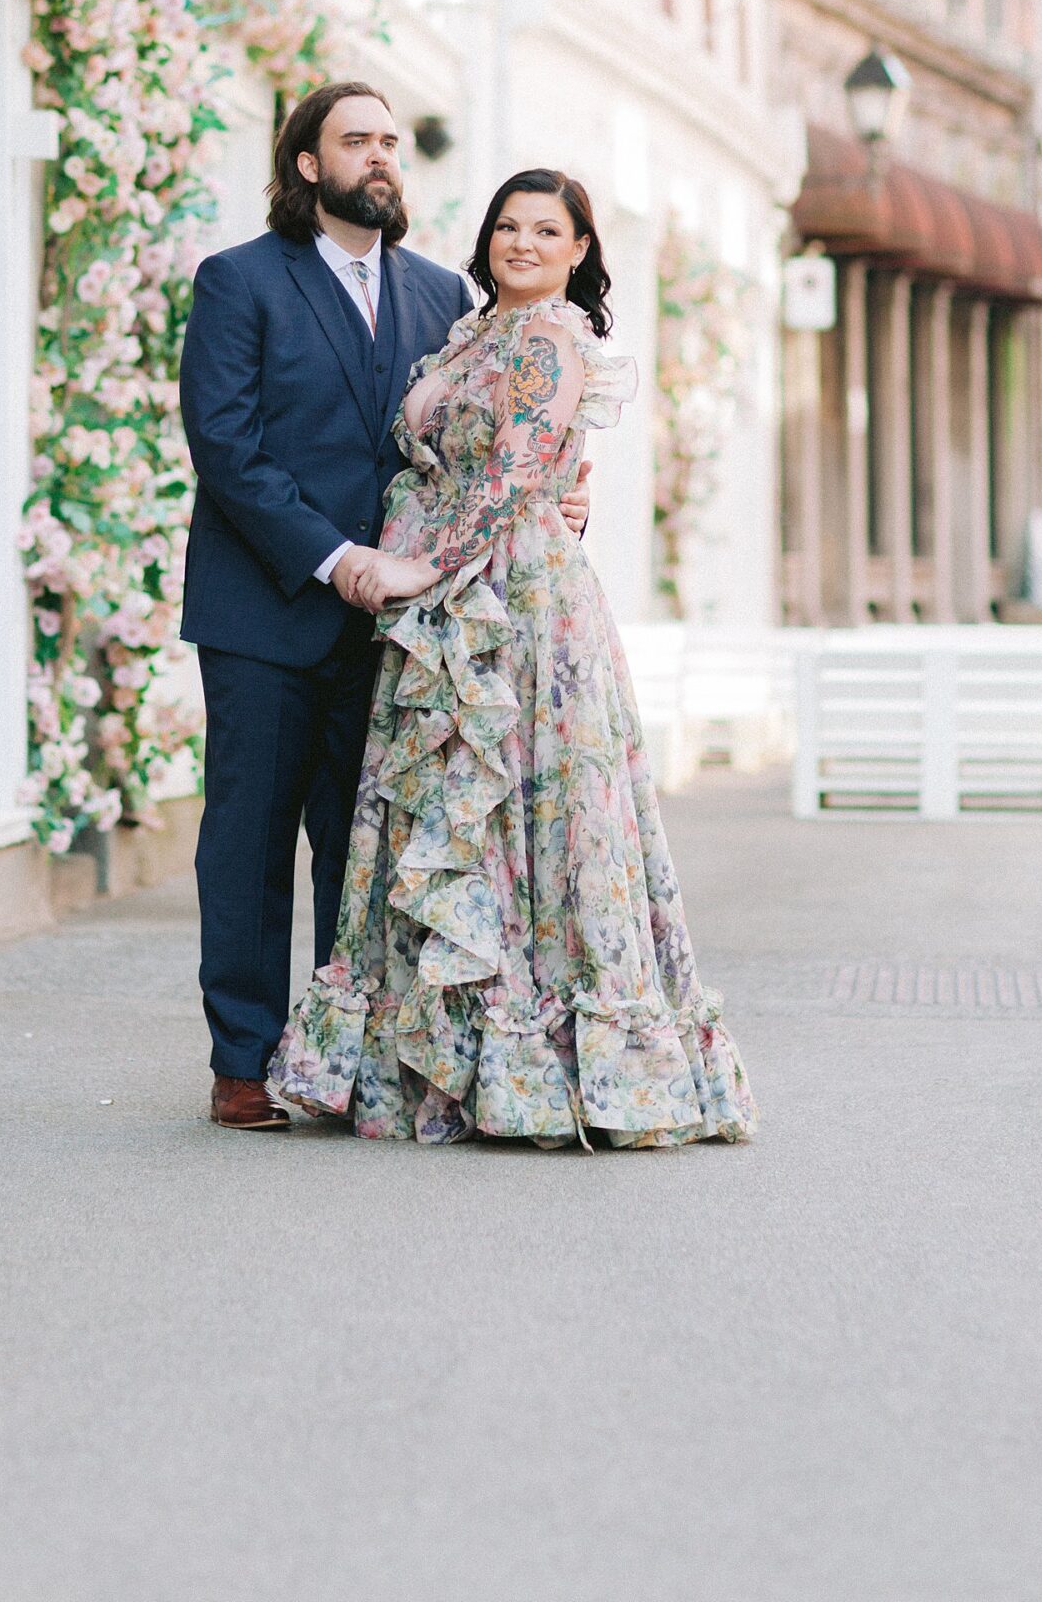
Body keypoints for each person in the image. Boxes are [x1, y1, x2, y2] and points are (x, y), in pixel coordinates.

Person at [271, 168, 757, 1149]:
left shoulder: (551, 338)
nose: (523, 242)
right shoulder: (471, 328)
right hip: (446, 601)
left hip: (518, 607)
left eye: (547, 229)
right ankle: (441, 1059)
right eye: (507, 226)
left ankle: (546, 1068)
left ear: (581, 250)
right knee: (456, 819)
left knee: (535, 815)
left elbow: (512, 477)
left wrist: (410, 569)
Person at [178, 85, 592, 1130]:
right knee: (250, 840)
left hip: (409, 627)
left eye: (391, 144)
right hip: (268, 609)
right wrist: (334, 557)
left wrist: (556, 496)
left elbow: (482, 438)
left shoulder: (440, 294)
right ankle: (241, 1062)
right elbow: (228, 447)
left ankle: (341, 1058)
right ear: (308, 163)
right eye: (356, 141)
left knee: (369, 852)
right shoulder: (238, 281)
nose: (380, 159)